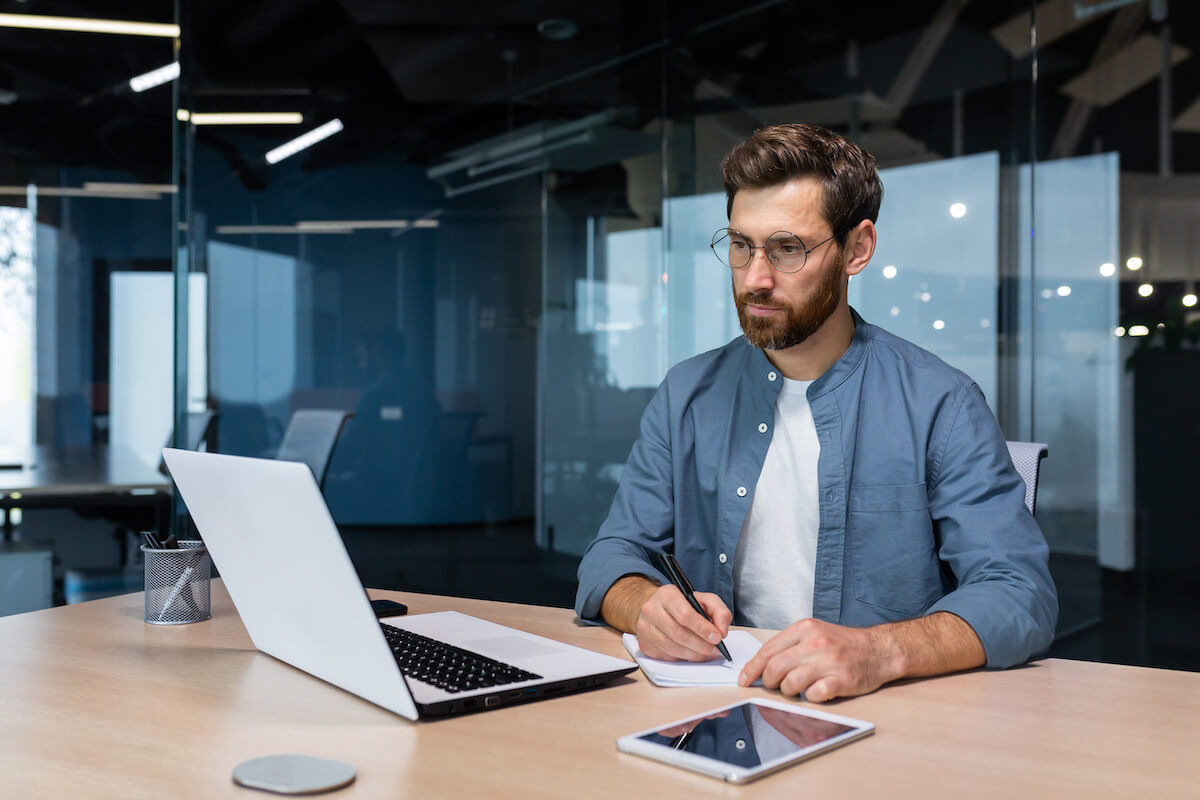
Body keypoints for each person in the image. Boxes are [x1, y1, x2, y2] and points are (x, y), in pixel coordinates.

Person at [574, 123, 1058, 703]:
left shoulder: (942, 402)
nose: (755, 278)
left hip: (885, 721)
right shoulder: (687, 394)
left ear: (857, 249)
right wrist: (644, 605)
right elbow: (612, 555)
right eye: (740, 245)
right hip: (717, 705)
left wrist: (879, 650)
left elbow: (1018, 591)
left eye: (787, 249)